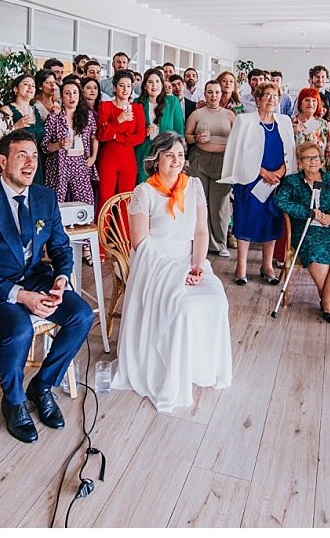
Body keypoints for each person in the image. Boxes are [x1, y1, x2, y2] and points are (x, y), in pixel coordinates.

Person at [0, 131, 95, 443]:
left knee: (82, 315)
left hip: (35, 277)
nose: (30, 163)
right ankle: (14, 401)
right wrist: (21, 296)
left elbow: (60, 248)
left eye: (33, 156)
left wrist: (61, 279)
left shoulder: (44, 198)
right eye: (21, 156)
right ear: (2, 161)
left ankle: (42, 385)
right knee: (20, 331)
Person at [112, 132, 233, 411]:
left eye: (180, 155)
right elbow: (140, 243)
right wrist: (175, 272)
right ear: (156, 159)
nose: (176, 161)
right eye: (169, 155)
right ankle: (167, 368)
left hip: (190, 260)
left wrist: (198, 266)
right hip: (154, 263)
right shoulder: (145, 191)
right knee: (182, 306)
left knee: (216, 299)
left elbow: (201, 231)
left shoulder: (194, 187)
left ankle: (198, 365)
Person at [274, 142, 330, 322]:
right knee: (317, 255)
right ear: (300, 162)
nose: (312, 162)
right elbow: (280, 201)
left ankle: (326, 301)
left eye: (315, 157)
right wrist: (308, 212)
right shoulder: (292, 181)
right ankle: (329, 303)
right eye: (307, 158)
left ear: (322, 161)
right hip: (307, 230)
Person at [220, 82, 296, 285]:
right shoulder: (244, 120)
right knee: (246, 221)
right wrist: (262, 172)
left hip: (276, 182)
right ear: (258, 99)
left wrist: (279, 172)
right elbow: (236, 153)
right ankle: (241, 267)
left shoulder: (285, 121)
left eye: (275, 96)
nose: (271, 99)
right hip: (250, 181)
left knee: (272, 222)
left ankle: (267, 265)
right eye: (267, 96)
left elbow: (291, 152)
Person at [185, 80, 237, 259]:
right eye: (210, 92)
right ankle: (202, 243)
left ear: (221, 94)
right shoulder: (197, 114)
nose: (213, 95)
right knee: (200, 203)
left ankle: (220, 243)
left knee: (220, 205)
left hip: (223, 163)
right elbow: (187, 137)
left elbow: (238, 140)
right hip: (200, 160)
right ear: (204, 94)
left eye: (216, 92)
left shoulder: (230, 115)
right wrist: (196, 137)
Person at [41, 80, 98, 209]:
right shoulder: (54, 117)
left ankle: (86, 228)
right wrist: (59, 144)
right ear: (62, 96)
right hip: (59, 163)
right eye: (67, 93)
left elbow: (95, 137)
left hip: (81, 161)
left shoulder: (87, 115)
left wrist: (93, 157)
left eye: (74, 93)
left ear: (79, 95)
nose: (71, 96)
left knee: (87, 202)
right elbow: (45, 146)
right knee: (56, 201)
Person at [96, 69, 147, 209]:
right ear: (114, 87)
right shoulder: (105, 106)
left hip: (128, 159)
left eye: (129, 86)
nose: (125, 89)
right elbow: (101, 135)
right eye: (121, 85)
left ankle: (123, 231)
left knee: (126, 200)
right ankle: (102, 231)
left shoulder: (137, 109)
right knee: (105, 199)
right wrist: (119, 120)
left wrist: (116, 136)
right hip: (108, 158)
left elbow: (140, 137)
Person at [133, 67, 185, 183]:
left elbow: (179, 130)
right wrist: (144, 131)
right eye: (150, 82)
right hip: (143, 152)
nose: (154, 85)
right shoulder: (137, 103)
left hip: (167, 152)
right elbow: (132, 130)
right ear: (145, 85)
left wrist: (180, 154)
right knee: (144, 188)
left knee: (164, 189)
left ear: (162, 84)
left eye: (157, 81)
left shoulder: (172, 102)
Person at [5, 73, 46, 186]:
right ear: (15, 89)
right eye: (26, 84)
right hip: (18, 160)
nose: (30, 88)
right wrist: (16, 127)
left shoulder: (36, 110)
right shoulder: (7, 110)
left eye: (33, 85)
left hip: (36, 159)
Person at [292, 87, 330, 174]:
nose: (311, 103)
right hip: (296, 173)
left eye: (314, 101)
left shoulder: (323, 124)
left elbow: (329, 151)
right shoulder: (291, 123)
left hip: (319, 173)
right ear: (300, 103)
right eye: (307, 100)